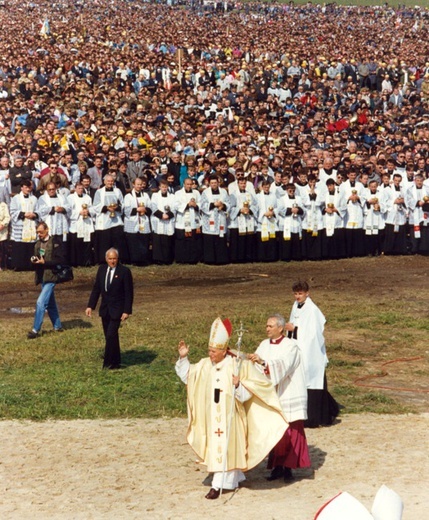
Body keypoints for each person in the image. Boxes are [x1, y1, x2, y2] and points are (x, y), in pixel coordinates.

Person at [175, 317, 287, 499]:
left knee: (230, 447)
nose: (210, 354)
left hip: (232, 416)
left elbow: (250, 393)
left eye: (213, 351)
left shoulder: (237, 364)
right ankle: (227, 480)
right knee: (218, 447)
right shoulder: (205, 365)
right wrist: (183, 357)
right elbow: (189, 376)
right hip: (213, 417)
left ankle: (220, 484)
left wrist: (238, 385)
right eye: (209, 351)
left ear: (222, 350)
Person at [249, 314, 311, 481]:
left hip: (288, 392)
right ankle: (276, 466)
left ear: (280, 328)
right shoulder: (263, 345)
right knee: (275, 430)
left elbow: (283, 366)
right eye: (267, 326)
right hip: (272, 394)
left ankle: (289, 468)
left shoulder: (291, 346)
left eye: (270, 326)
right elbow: (257, 366)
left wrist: (263, 363)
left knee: (290, 431)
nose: (267, 328)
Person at [285, 281, 339, 428]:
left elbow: (313, 334)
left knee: (313, 383)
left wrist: (294, 329)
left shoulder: (312, 310)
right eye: (296, 294)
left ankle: (318, 417)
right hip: (299, 349)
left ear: (307, 293)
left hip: (311, 352)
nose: (298, 297)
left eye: (300, 294)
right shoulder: (296, 306)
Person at [85, 248, 133, 369]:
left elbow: (129, 293)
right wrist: (90, 306)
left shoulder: (124, 271)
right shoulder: (101, 270)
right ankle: (116, 362)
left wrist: (127, 311)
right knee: (110, 336)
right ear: (106, 259)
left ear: (118, 259)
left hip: (117, 309)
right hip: (105, 309)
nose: (112, 261)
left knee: (111, 335)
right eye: (110, 259)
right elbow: (96, 289)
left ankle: (107, 363)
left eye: (114, 259)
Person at [27, 222, 66, 339]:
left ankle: (35, 330)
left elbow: (60, 260)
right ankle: (57, 326)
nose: (39, 234)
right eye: (37, 232)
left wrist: (46, 263)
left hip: (52, 277)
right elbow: (36, 260)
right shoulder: (37, 244)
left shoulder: (55, 242)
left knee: (40, 302)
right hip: (42, 278)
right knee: (50, 303)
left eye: (41, 232)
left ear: (47, 230)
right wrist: (34, 261)